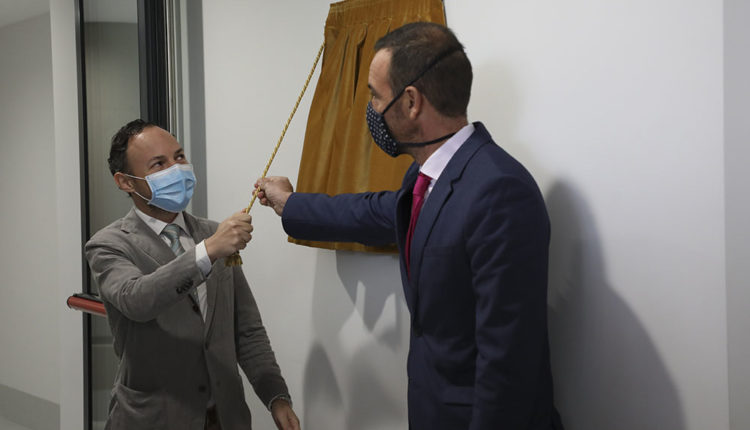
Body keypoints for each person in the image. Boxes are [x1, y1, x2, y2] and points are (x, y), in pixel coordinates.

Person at [255, 22, 564, 430]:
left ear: (412, 101)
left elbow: (507, 366)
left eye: (375, 95)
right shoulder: (429, 177)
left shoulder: (500, 191)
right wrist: (290, 204)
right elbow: (372, 212)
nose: (371, 109)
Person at [85, 119, 300, 430]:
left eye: (179, 157)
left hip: (225, 418)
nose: (177, 169)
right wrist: (208, 251)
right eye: (159, 164)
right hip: (153, 419)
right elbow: (137, 300)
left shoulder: (212, 233)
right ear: (125, 182)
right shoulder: (109, 244)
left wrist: (275, 396)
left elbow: (247, 329)